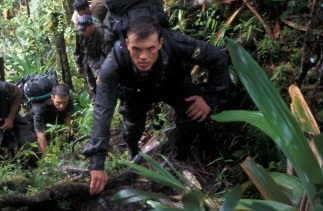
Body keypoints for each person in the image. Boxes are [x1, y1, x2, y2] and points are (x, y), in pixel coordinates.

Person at [81, 15, 229, 195]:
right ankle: (133, 150)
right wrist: (97, 162)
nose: (143, 56)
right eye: (136, 49)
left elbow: (218, 58)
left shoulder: (176, 42)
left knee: (196, 113)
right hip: (135, 92)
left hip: (171, 83)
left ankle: (179, 155)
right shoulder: (114, 62)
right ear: (127, 44)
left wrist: (210, 98)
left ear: (160, 42)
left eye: (150, 49)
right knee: (131, 128)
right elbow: (102, 108)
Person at [74, 14, 112, 101]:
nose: (82, 32)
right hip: (87, 60)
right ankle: (95, 100)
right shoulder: (80, 33)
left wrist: (101, 73)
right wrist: (78, 64)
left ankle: (105, 100)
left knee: (101, 82)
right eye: (81, 30)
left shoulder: (102, 33)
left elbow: (107, 55)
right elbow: (77, 49)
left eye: (84, 29)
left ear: (91, 26)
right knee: (91, 82)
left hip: (99, 60)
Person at [31, 84, 74, 154]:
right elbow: (40, 134)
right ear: (52, 97)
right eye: (58, 102)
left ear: (68, 98)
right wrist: (47, 156)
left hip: (55, 118)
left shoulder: (69, 100)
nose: (62, 106)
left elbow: (67, 116)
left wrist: (65, 132)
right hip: (40, 121)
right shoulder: (40, 108)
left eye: (64, 102)